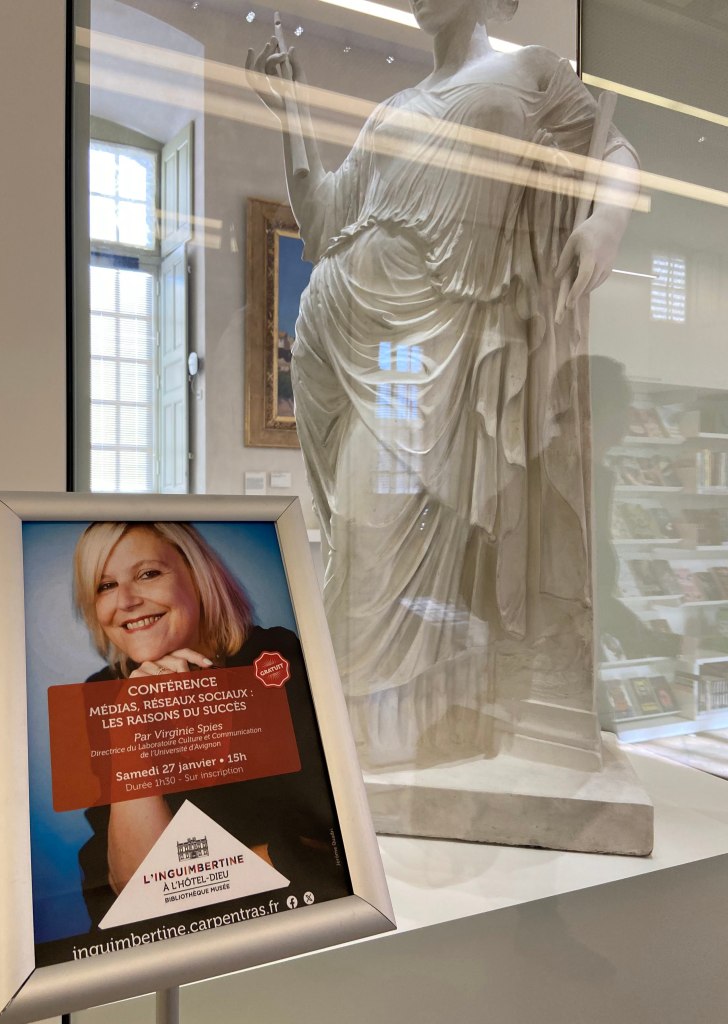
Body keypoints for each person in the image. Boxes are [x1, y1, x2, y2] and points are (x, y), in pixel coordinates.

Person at [246, 0, 639, 765]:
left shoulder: (531, 71)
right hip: (336, 336)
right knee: (351, 535)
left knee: (374, 531)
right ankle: (363, 742)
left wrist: (607, 223)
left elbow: (614, 151)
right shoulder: (394, 107)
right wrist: (290, 109)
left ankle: (380, 738)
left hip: (430, 344)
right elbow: (323, 223)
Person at [73, 521, 347, 927]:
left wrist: (186, 880)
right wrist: (132, 726)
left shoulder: (281, 658)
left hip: (297, 924)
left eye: (148, 574)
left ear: (197, 575)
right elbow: (136, 883)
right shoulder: (103, 691)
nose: (126, 600)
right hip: (180, 942)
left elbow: (327, 848)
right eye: (105, 586)